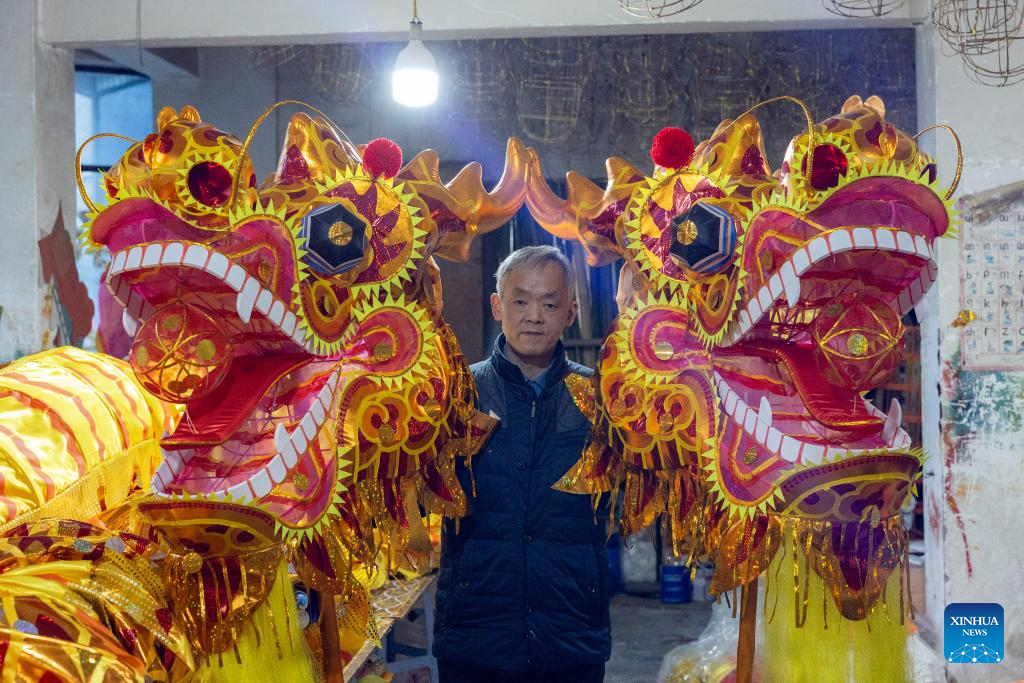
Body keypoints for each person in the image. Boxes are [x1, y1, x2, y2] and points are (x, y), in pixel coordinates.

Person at [433, 245, 610, 683]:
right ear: (498, 306)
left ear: (570, 311)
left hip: (570, 632)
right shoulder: (457, 395)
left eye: (549, 303)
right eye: (520, 300)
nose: (535, 315)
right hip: (477, 631)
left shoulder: (602, 400)